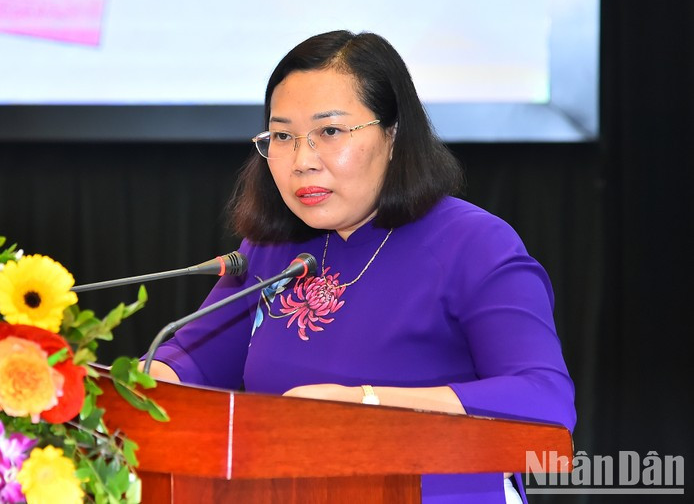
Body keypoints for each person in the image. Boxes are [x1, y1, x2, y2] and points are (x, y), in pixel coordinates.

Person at [146, 30, 576, 503]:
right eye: (283, 136)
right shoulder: (272, 247)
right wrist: (123, 384)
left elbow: (544, 402)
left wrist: (365, 405)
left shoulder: (474, 244)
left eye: (329, 132)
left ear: (393, 135)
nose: (301, 161)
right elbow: (191, 364)